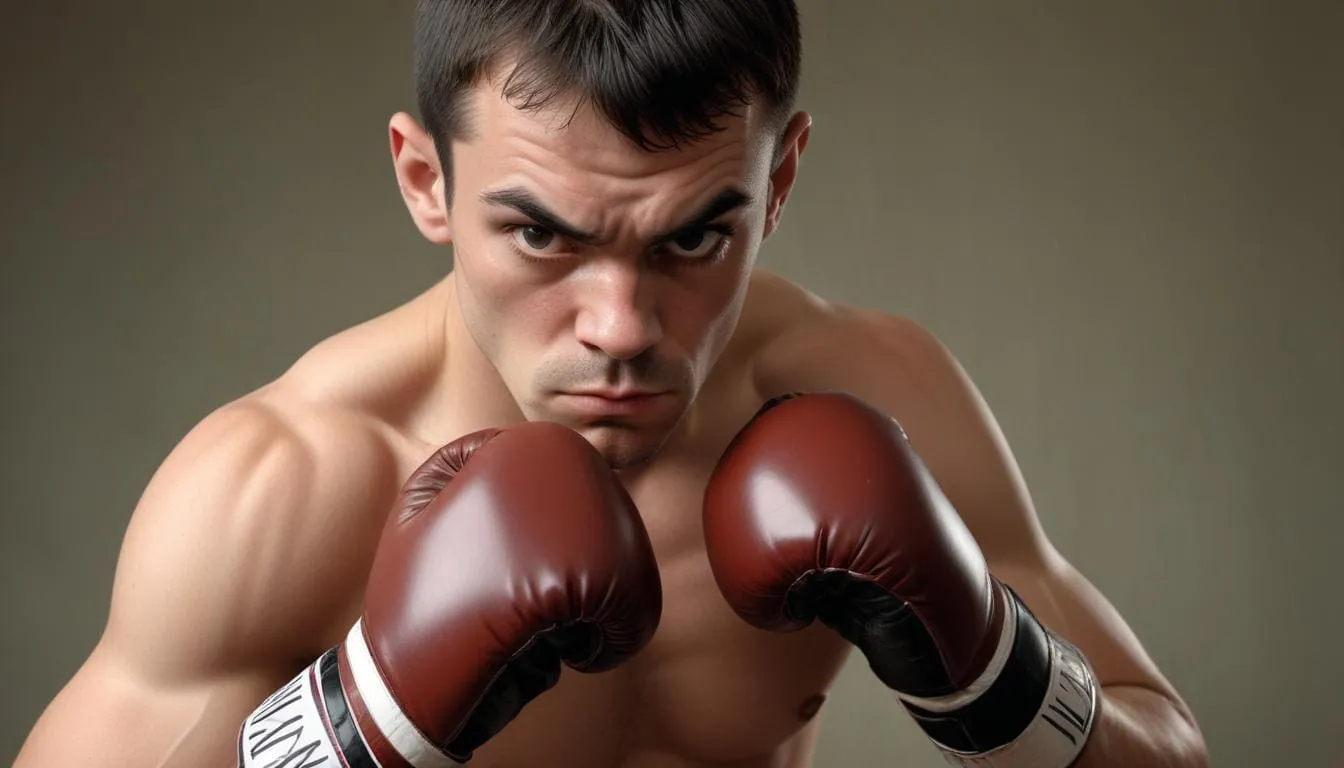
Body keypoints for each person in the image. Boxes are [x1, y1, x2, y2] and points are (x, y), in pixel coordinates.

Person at [15, 1, 1209, 766]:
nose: (622, 329)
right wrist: (364, 717)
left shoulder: (873, 393)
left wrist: (993, 674)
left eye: (693, 238)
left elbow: (1170, 751)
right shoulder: (289, 482)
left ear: (779, 180)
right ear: (424, 178)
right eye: (543, 237)